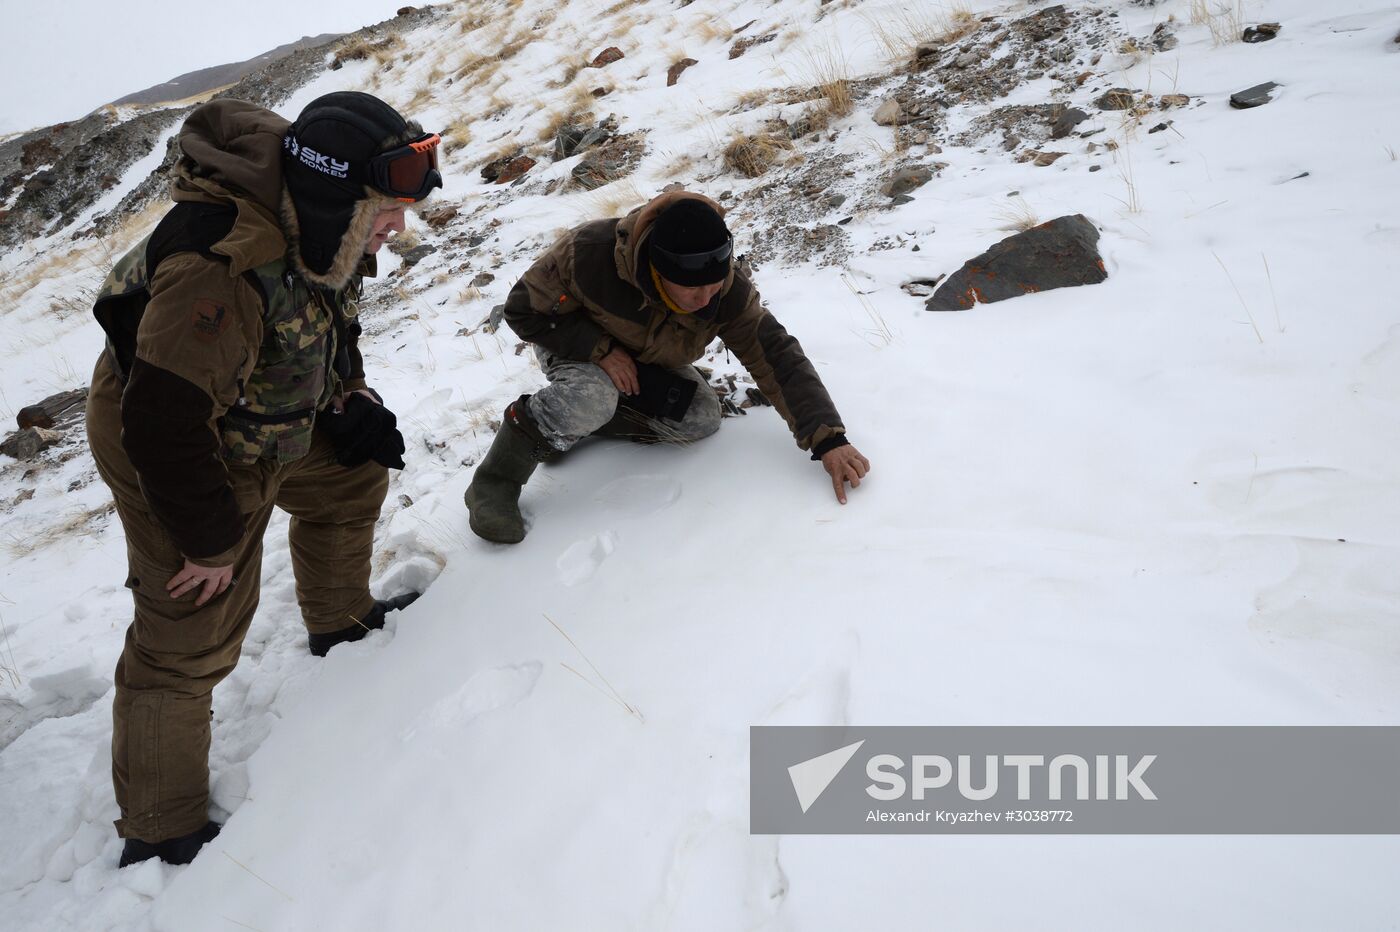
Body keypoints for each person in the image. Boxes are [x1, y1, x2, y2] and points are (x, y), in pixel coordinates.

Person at [85, 91, 441, 867]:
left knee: (349, 479)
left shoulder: (323, 226)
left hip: (262, 412)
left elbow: (333, 312)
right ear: (339, 199)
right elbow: (163, 425)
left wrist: (349, 395)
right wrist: (209, 542)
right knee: (193, 625)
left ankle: (339, 622)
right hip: (176, 439)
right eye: (386, 211)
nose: (396, 228)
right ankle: (160, 826)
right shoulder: (216, 270)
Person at [464, 191, 870, 543]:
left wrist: (828, 440)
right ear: (658, 272)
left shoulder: (726, 292)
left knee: (701, 418)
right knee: (591, 398)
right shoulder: (587, 254)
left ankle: (570, 425)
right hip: (572, 344)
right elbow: (522, 311)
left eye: (715, 285)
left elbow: (776, 354)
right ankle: (497, 478)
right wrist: (599, 350)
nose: (707, 300)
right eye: (693, 290)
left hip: (645, 358)